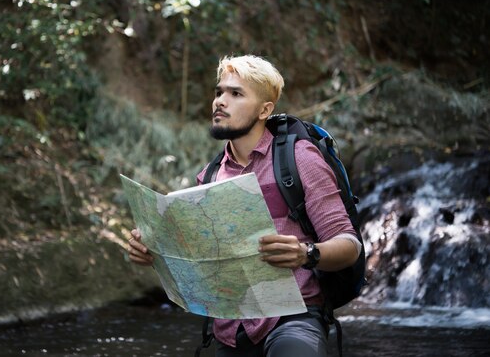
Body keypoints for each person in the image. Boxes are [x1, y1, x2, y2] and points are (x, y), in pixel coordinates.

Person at [127, 54, 361, 357]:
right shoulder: (209, 177)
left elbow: (349, 244)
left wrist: (307, 253)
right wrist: (154, 251)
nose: (220, 102)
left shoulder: (300, 159)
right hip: (229, 331)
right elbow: (202, 262)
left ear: (265, 109)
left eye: (236, 94)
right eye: (219, 92)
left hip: (293, 320)